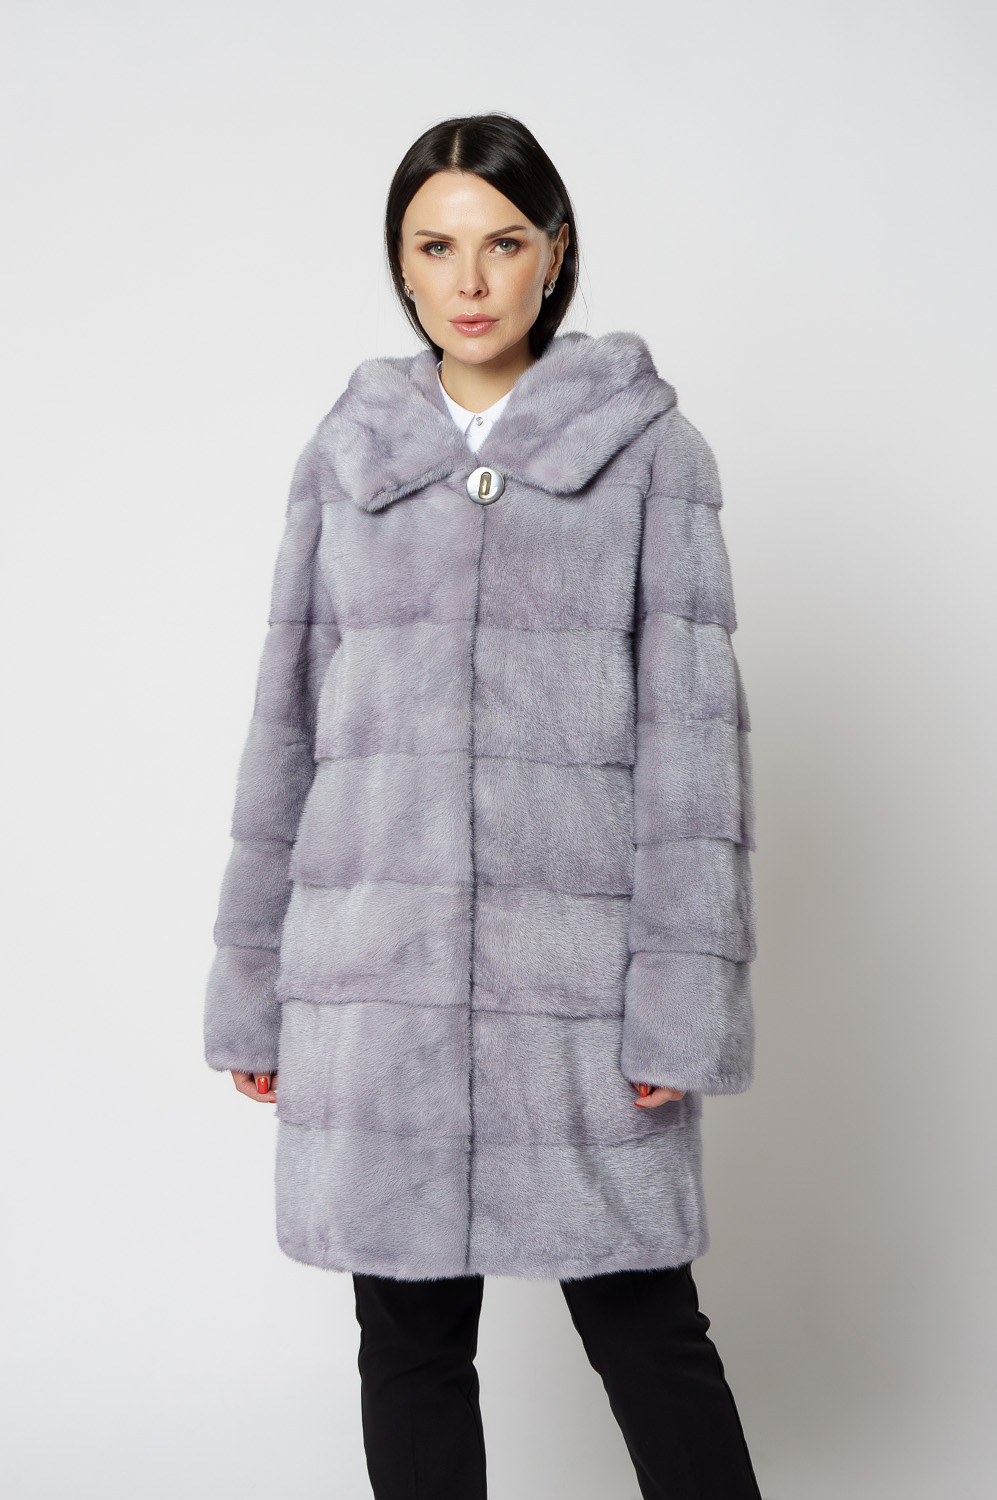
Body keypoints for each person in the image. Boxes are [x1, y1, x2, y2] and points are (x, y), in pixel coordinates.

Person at [204, 112, 762, 1500]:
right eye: (435, 246)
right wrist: (256, 986)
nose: (469, 281)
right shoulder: (349, 453)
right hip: (373, 982)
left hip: (570, 988)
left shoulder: (650, 452)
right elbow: (288, 724)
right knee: (405, 1344)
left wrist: (676, 998)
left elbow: (692, 748)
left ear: (553, 254)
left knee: (644, 1326)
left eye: (502, 244)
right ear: (399, 263)